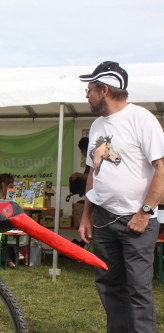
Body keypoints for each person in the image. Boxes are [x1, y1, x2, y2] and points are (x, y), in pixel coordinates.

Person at [78, 61, 164, 333]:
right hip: (103, 219)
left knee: (138, 289)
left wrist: (145, 212)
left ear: (104, 89)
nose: (86, 94)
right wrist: (86, 216)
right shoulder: (95, 125)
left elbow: (161, 168)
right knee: (109, 286)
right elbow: (94, 172)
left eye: (89, 88)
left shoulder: (141, 118)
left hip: (136, 220)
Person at [0, 173, 23, 268]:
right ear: (3, 184)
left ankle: (14, 254)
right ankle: (9, 259)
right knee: (1, 234)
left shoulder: (12, 195)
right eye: (10, 183)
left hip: (8, 221)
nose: (12, 186)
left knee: (15, 228)